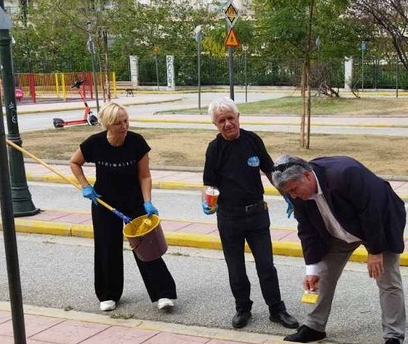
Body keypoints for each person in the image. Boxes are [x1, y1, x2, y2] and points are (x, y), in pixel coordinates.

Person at [272, 155, 407, 344]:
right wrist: (312, 269)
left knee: (388, 280)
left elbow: (372, 210)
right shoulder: (297, 193)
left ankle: (393, 337)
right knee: (323, 273)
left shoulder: (345, 174)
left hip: (378, 225)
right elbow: (307, 230)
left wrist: (375, 250)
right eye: (288, 193)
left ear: (308, 176)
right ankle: (315, 326)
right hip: (339, 229)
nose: (293, 196)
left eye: (294, 190)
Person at [69, 102, 176, 313]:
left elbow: (144, 175)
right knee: (107, 247)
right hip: (104, 203)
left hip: (134, 202)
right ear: (108, 124)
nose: (124, 126)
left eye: (125, 121)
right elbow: (74, 162)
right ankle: (108, 294)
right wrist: (86, 187)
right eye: (118, 123)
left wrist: (148, 201)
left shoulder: (137, 142)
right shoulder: (95, 143)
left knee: (147, 247)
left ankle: (163, 293)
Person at [202, 98, 299, 331]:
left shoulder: (253, 140)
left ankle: (277, 309)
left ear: (238, 118)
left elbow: (270, 170)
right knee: (236, 268)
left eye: (230, 118)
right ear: (215, 124)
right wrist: (208, 201)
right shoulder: (214, 149)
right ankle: (243, 308)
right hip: (229, 217)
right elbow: (209, 184)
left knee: (266, 266)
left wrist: (288, 195)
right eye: (221, 121)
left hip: (256, 214)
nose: (227, 124)